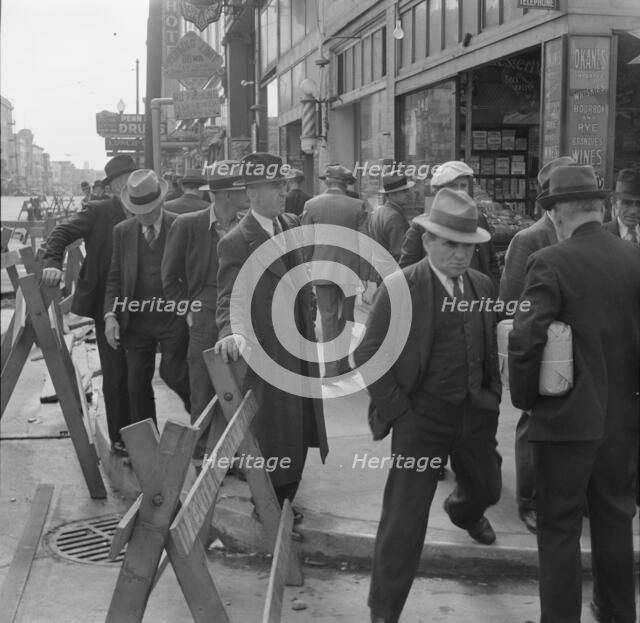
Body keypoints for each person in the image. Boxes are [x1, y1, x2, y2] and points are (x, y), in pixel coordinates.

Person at [356, 188, 502, 623]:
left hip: (473, 412)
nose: (461, 255)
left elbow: (487, 346)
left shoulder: (481, 285)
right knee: (404, 519)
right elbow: (366, 355)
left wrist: (491, 396)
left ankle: (463, 511)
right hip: (421, 417)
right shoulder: (403, 287)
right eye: (451, 244)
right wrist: (401, 412)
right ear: (427, 241)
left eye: (469, 246)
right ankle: (384, 610)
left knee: (488, 488)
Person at [508, 164, 640, 623]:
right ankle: (619, 613)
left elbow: (525, 339)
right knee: (615, 521)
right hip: (621, 421)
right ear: (600, 207)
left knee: (559, 528)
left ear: (560, 214)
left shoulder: (550, 262)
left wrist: (526, 401)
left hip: (565, 422)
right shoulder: (634, 258)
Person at [214, 152, 328, 513]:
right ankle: (272, 510)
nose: (284, 191)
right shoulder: (236, 241)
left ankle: (283, 503)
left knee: (298, 429)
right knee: (276, 435)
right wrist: (230, 332)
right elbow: (228, 297)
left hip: (298, 348)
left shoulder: (287, 226)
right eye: (276, 185)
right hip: (268, 355)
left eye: (284, 184)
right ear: (252, 193)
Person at [498, 155, 575, 535]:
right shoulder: (528, 240)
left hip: (579, 350)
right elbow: (510, 305)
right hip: (541, 348)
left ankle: (566, 495)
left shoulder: (584, 233)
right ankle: (528, 499)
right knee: (534, 423)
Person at [41, 155, 137, 456]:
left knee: (139, 370)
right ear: (115, 186)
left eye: (133, 178)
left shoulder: (151, 208)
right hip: (108, 302)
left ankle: (145, 435)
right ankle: (120, 438)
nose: (129, 185)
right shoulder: (99, 211)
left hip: (143, 303)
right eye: (124, 181)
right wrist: (53, 263)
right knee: (115, 373)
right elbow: (60, 234)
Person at [162, 162, 248, 454]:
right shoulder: (189, 225)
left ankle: (235, 453)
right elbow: (169, 275)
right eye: (241, 190)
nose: (247, 194)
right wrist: (186, 309)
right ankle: (199, 452)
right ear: (224, 195)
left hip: (242, 315)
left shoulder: (248, 225)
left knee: (240, 386)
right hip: (205, 314)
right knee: (201, 386)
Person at [104, 169, 191, 428]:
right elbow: (115, 276)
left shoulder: (181, 225)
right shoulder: (122, 231)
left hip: (174, 319)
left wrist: (191, 310)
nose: (143, 216)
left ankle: (205, 423)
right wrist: (110, 315)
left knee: (176, 375)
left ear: (161, 202)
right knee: (136, 384)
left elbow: (193, 272)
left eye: (149, 210)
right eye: (137, 210)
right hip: (136, 321)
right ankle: (145, 447)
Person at [301, 164, 371, 377]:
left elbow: (306, 241)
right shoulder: (358, 206)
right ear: (346, 184)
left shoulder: (312, 205)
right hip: (350, 270)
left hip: (322, 268)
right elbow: (364, 242)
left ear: (327, 182)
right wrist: (366, 275)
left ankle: (332, 369)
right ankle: (342, 364)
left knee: (328, 317)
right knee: (347, 316)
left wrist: (307, 263)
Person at [399, 161, 500, 287]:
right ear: (438, 191)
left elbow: (491, 261)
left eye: (463, 186)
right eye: (453, 186)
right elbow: (407, 272)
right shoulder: (420, 227)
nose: (459, 191)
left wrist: (492, 290)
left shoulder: (478, 219)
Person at [368, 174, 416, 277]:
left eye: (407, 190)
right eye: (403, 191)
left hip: (382, 273)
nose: (408, 194)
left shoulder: (378, 212)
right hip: (393, 275)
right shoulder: (394, 216)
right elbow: (399, 254)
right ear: (391, 194)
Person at [604, 168, 640, 243]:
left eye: (639, 204)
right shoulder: (601, 234)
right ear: (614, 202)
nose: (633, 211)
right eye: (626, 203)